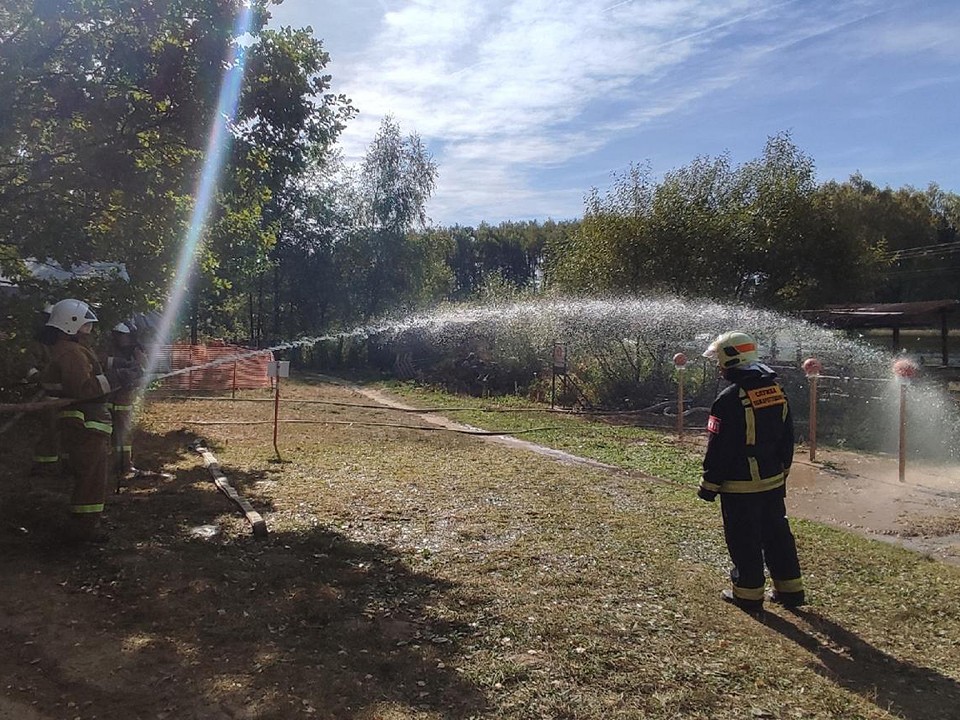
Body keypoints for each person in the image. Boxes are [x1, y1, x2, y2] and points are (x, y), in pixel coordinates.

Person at [697, 331, 805, 613]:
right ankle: (791, 590)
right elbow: (787, 438)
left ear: (731, 360)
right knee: (777, 535)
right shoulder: (776, 391)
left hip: (740, 485)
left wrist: (709, 484)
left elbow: (720, 447)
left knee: (744, 538)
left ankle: (747, 594)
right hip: (771, 480)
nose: (718, 368)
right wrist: (783, 472)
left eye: (719, 362)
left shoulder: (729, 399)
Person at [39, 299, 140, 543]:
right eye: (86, 325)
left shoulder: (70, 348)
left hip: (85, 420)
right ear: (70, 324)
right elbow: (83, 388)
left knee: (90, 475)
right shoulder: (71, 352)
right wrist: (116, 379)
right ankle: (84, 529)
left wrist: (119, 371)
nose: (90, 330)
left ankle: (84, 524)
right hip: (85, 422)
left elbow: (93, 368)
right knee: (91, 478)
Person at [102, 322, 145, 483]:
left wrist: (133, 376)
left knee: (124, 434)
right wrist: (119, 367)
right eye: (119, 335)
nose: (122, 339)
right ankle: (107, 465)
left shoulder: (136, 352)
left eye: (125, 336)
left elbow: (142, 374)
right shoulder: (106, 349)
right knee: (105, 434)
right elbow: (100, 364)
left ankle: (126, 465)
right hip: (107, 398)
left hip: (124, 399)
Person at [24, 304, 61, 476]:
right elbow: (29, 369)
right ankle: (45, 465)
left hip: (68, 395)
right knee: (50, 430)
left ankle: (65, 463)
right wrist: (42, 378)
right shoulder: (37, 345)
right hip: (48, 396)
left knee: (68, 430)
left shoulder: (64, 344)